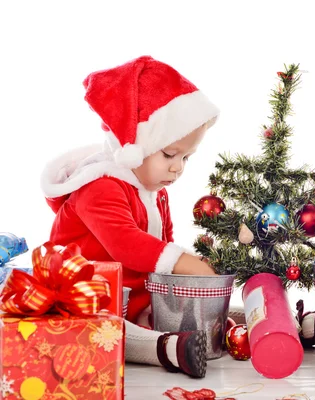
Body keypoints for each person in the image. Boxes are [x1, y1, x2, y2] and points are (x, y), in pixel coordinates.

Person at [41, 56, 219, 378]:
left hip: (133, 299)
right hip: (85, 299)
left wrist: (183, 286)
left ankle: (221, 327)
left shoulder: (154, 191)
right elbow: (126, 243)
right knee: (106, 328)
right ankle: (164, 349)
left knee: (185, 313)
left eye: (186, 158)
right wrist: (187, 263)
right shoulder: (100, 187)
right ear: (135, 144)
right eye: (169, 154)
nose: (178, 168)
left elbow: (163, 244)